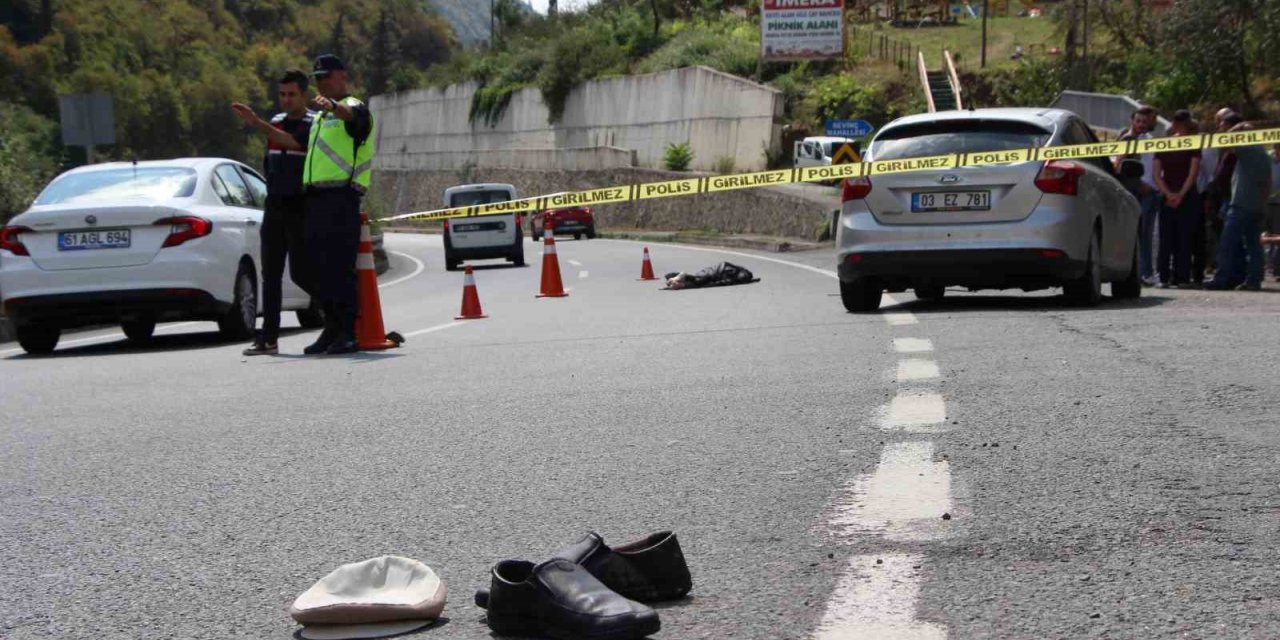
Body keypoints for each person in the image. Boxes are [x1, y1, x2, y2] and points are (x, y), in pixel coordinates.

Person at [231, 69, 317, 356]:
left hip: (300, 206)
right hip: (275, 206)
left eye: (292, 94)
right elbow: (271, 158)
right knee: (270, 273)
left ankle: (341, 317)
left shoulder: (312, 124)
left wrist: (256, 123)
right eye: (282, 95)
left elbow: (292, 143)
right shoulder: (277, 122)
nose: (286, 100)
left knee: (303, 271)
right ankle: (268, 338)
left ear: (304, 94)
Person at [301, 54, 376, 355]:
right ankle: (330, 328)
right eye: (316, 78)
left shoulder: (354, 107)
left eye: (325, 76)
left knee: (339, 268)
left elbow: (354, 118)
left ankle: (347, 330)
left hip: (341, 197)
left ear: (341, 76)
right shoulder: (320, 117)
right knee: (317, 269)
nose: (320, 82)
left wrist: (334, 106)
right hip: (316, 198)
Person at [1205, 123, 1271, 291]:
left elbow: (1225, 144)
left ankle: (1221, 279)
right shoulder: (1262, 151)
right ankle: (1253, 281)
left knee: (1227, 243)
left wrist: (1226, 134)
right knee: (1254, 246)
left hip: (1242, 203)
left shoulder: (1247, 148)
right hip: (1258, 205)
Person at [1151, 110, 1202, 288]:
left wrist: (1168, 194)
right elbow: (1193, 173)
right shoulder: (1193, 144)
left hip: (1168, 196)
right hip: (1187, 197)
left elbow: (1156, 175)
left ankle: (1163, 276)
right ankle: (1182, 277)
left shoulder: (1163, 144)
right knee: (1184, 238)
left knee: (1166, 237)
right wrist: (1181, 194)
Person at [1114, 106, 1160, 286]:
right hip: (1136, 193)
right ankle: (1145, 273)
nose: (1141, 124)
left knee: (1143, 234)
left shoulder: (1144, 139)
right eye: (1138, 121)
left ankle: (1143, 272)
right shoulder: (1128, 139)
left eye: (1144, 122)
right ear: (1132, 121)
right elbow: (1119, 165)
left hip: (1143, 191)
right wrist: (1139, 185)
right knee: (1142, 234)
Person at [1267, 144, 1280, 281]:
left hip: (1278, 204)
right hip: (1265, 201)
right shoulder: (1268, 158)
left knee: (1277, 237)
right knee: (1264, 236)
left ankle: (1276, 269)